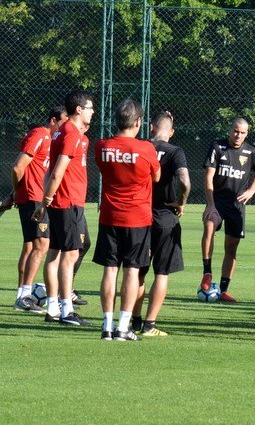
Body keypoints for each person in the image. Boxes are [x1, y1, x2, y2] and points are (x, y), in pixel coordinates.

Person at [93, 99, 160, 341]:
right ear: (138, 122)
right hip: (137, 218)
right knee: (132, 271)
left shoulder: (102, 146)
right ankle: (123, 327)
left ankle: (107, 326)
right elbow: (156, 176)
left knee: (110, 270)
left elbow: (103, 168)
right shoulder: (146, 148)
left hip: (109, 215)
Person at [32, 90, 93, 326]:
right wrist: (45, 199)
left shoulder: (61, 131)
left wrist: (45, 200)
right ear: (79, 109)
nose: (92, 112)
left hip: (60, 201)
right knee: (70, 254)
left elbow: (49, 170)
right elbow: (57, 172)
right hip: (68, 201)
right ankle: (67, 310)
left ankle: (52, 308)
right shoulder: (71, 133)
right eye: (89, 108)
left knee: (54, 254)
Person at [131, 111, 190, 337]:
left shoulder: (139, 147)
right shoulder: (175, 151)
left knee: (137, 271)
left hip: (139, 215)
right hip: (165, 217)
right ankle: (149, 325)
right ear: (171, 132)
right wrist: (181, 202)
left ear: (151, 128)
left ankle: (133, 320)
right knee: (162, 273)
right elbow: (185, 181)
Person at [11, 106, 67, 313]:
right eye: (63, 122)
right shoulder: (39, 134)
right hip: (32, 197)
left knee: (31, 246)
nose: (66, 126)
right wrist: (17, 192)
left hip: (38, 198)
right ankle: (25, 296)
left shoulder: (52, 140)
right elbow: (18, 167)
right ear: (53, 120)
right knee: (42, 244)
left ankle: (21, 295)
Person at [199, 118, 255, 303]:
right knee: (209, 225)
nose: (238, 135)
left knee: (231, 248)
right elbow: (209, 176)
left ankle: (224, 290)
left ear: (247, 134)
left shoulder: (251, 151)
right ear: (229, 130)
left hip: (236, 205)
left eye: (242, 133)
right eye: (235, 131)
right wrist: (210, 204)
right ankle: (207, 272)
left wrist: (251, 190)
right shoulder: (217, 146)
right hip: (217, 201)